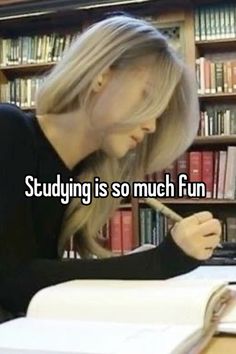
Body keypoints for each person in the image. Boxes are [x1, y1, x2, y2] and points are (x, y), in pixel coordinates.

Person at [0, 13, 221, 319]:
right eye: (148, 97)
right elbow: (13, 282)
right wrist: (160, 261)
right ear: (101, 75)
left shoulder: (80, 177)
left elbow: (38, 283)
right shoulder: (8, 128)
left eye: (160, 113)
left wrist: (133, 264)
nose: (152, 126)